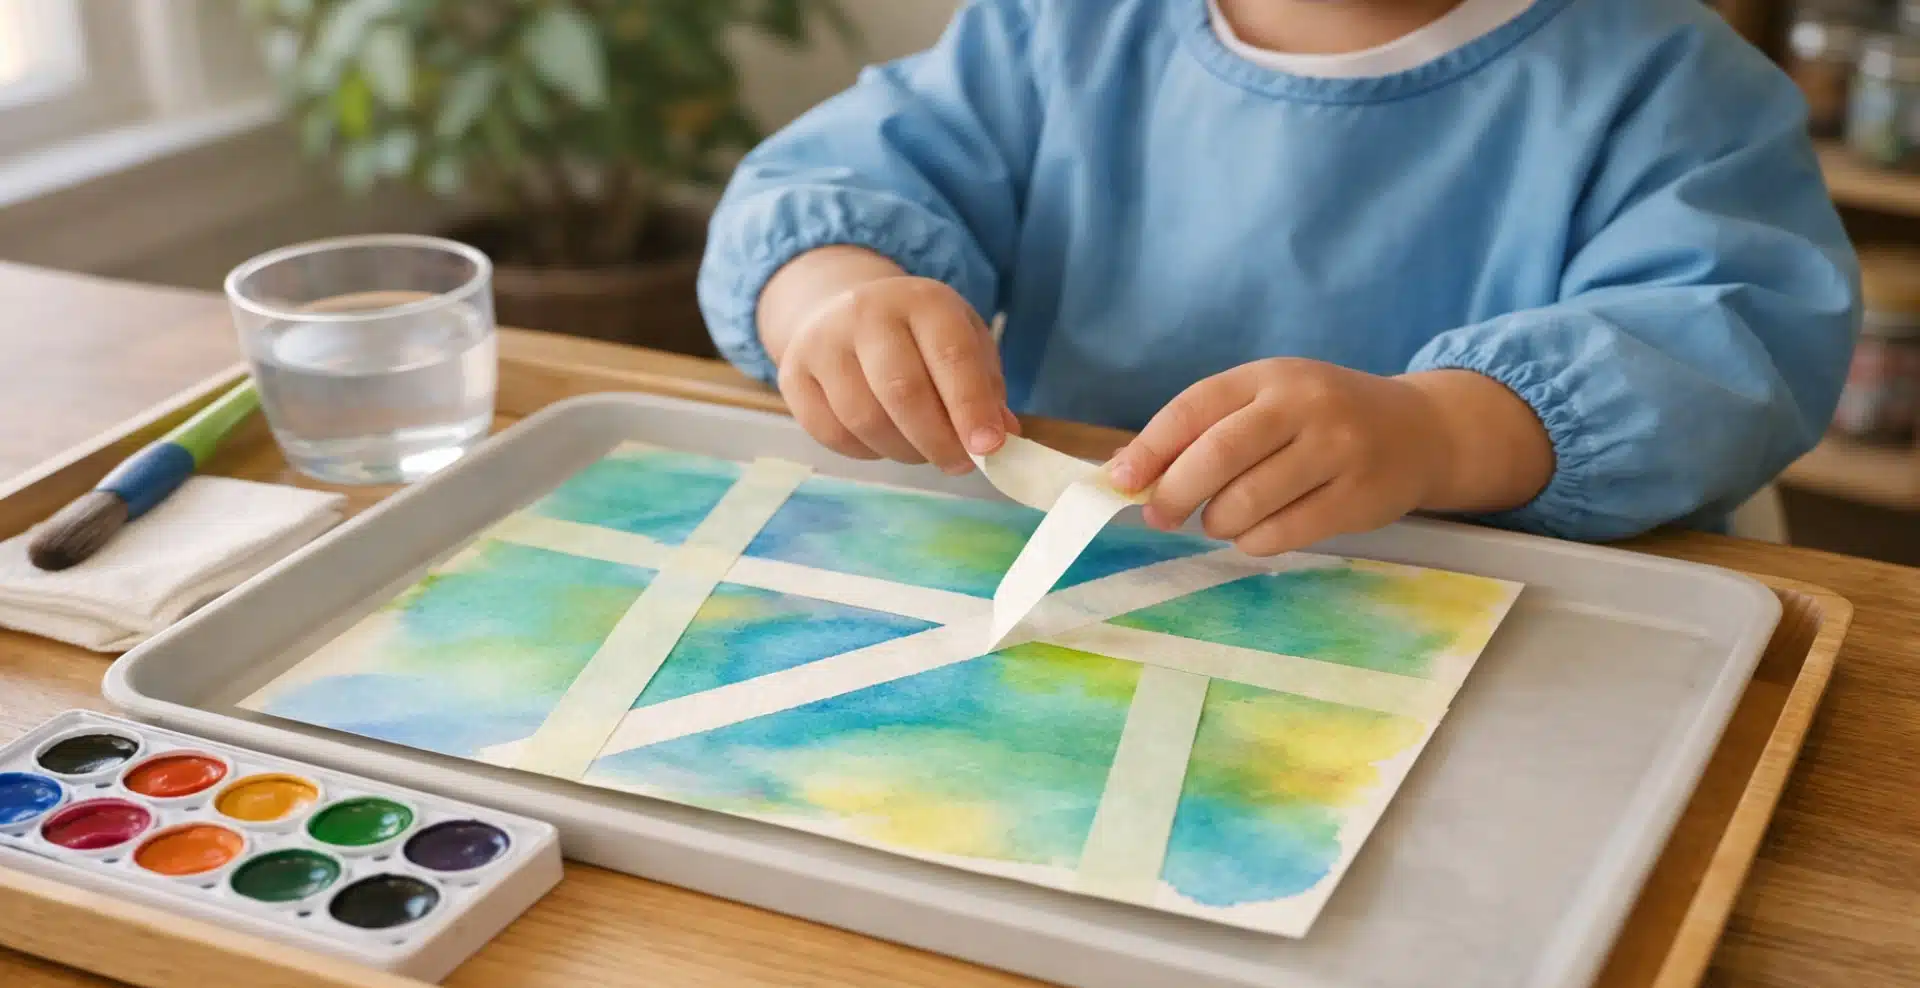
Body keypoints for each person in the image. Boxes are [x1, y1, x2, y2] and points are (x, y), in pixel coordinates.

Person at [697, 0, 1859, 553]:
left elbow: (1729, 346)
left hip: (1491, 618)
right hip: (1101, 589)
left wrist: (1435, 434)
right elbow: (838, 179)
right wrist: (836, 297)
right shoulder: (1060, 27)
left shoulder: (1670, 82)